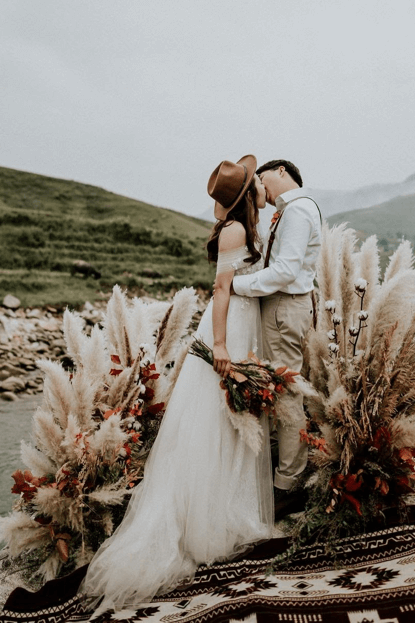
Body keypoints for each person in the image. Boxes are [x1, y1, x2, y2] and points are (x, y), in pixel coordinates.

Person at [80, 155, 274, 613]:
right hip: (228, 326)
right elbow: (221, 290)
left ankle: (227, 507)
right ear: (248, 194)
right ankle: (206, 522)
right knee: (212, 417)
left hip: (247, 323)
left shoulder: (250, 226)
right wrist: (221, 346)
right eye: (256, 183)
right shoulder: (235, 231)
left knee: (232, 419)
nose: (263, 185)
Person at [231, 159, 321, 518]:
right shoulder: (290, 211)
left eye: (261, 177)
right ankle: (285, 474)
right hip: (283, 307)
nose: (259, 185)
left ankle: (288, 484)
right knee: (283, 390)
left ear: (281, 171)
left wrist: (235, 286)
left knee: (286, 395)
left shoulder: (298, 210)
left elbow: (284, 271)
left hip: (285, 306)